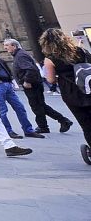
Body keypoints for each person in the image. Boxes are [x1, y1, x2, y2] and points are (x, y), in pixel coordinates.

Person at [39, 28, 91, 164]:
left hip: (72, 93)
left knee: (86, 123)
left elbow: (50, 80)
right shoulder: (80, 51)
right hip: (88, 87)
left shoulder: (50, 59)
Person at [0, 33, 42, 139]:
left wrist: (9, 77)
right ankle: (8, 131)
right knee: (2, 110)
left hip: (5, 83)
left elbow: (0, 65)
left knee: (19, 107)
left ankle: (28, 129)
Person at [4, 38, 72, 134]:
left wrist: (27, 81)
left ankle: (49, 125)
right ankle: (57, 122)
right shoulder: (20, 55)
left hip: (32, 84)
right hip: (33, 83)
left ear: (14, 46)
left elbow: (30, 69)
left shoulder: (20, 56)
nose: (5, 47)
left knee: (37, 106)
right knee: (40, 105)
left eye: (7, 45)